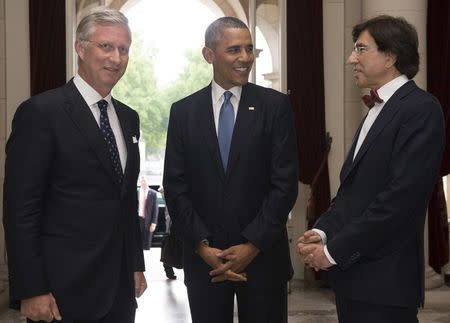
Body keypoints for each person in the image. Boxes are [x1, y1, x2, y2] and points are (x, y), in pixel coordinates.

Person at [297, 15, 445, 323]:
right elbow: (354, 193)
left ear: (390, 56)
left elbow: (398, 201)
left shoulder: (421, 109)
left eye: (361, 49)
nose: (352, 59)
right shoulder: (377, 111)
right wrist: (322, 232)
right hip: (355, 281)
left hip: (386, 284)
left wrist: (334, 251)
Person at [3, 8, 146, 323]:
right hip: (61, 293)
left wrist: (136, 264)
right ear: (80, 49)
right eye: (105, 46)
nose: (116, 58)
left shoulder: (128, 118)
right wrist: (32, 289)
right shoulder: (40, 113)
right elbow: (21, 210)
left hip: (120, 292)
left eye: (124, 49)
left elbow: (126, 200)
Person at [163, 16, 298, 323]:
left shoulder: (275, 107)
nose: (245, 58)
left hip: (263, 259)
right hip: (205, 263)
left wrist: (252, 245)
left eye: (250, 49)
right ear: (209, 55)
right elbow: (175, 185)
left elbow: (285, 183)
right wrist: (201, 245)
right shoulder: (183, 112)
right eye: (234, 50)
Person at [138, 175, 158, 250]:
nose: (143, 182)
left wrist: (154, 223)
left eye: (144, 181)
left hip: (148, 220)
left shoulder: (153, 193)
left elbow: (155, 209)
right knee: (138, 242)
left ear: (147, 182)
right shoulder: (137, 192)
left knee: (146, 244)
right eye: (142, 181)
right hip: (138, 219)